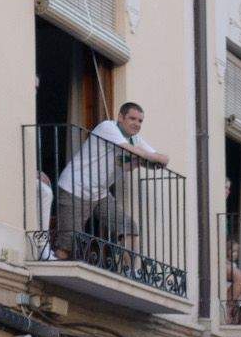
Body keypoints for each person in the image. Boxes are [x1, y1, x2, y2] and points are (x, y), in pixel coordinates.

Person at [51, 102, 169, 260]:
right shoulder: (108, 127)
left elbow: (161, 160)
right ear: (120, 117)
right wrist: (147, 159)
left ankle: (130, 274)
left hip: (99, 193)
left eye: (140, 121)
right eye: (132, 118)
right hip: (75, 187)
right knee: (67, 243)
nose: (136, 124)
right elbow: (132, 151)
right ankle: (59, 270)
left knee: (128, 228)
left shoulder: (135, 140)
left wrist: (145, 161)